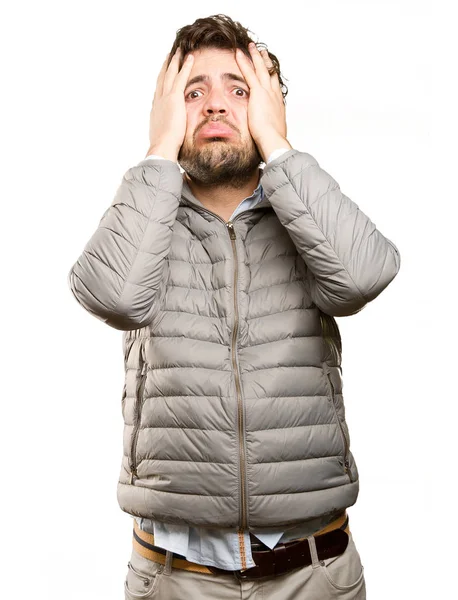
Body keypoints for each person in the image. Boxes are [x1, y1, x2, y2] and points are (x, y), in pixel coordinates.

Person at [67, 13, 400, 600]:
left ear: (269, 105)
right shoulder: (146, 214)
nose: (216, 105)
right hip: (174, 579)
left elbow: (363, 276)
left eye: (238, 90)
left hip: (313, 574)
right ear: (167, 108)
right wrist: (158, 151)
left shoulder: (306, 214)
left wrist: (279, 145)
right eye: (195, 92)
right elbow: (112, 295)